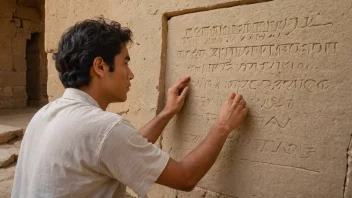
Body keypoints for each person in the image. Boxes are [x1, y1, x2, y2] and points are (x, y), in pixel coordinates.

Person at [11, 18, 248, 198]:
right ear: (100, 67)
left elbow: (117, 149)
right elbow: (185, 178)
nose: (131, 74)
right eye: (125, 62)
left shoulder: (45, 114)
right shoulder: (102, 128)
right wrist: (223, 125)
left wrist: (167, 113)